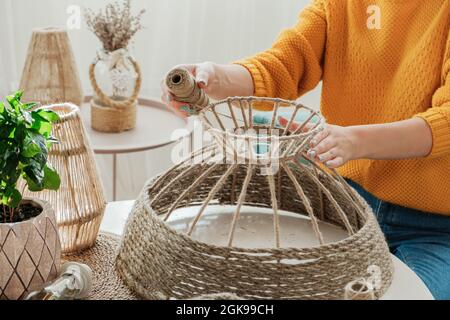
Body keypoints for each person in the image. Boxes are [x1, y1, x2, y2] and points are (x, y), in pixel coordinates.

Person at [161, 0, 450, 299]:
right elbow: (285, 63)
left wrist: (356, 141)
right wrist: (216, 78)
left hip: (435, 229)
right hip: (343, 203)